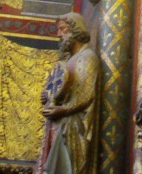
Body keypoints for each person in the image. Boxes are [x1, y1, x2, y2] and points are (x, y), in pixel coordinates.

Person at [35, 13, 100, 174]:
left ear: (75, 30)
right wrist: (48, 97)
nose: (59, 35)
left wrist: (62, 110)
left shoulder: (87, 58)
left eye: (63, 29)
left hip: (72, 125)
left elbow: (86, 95)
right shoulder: (71, 59)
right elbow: (62, 88)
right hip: (59, 122)